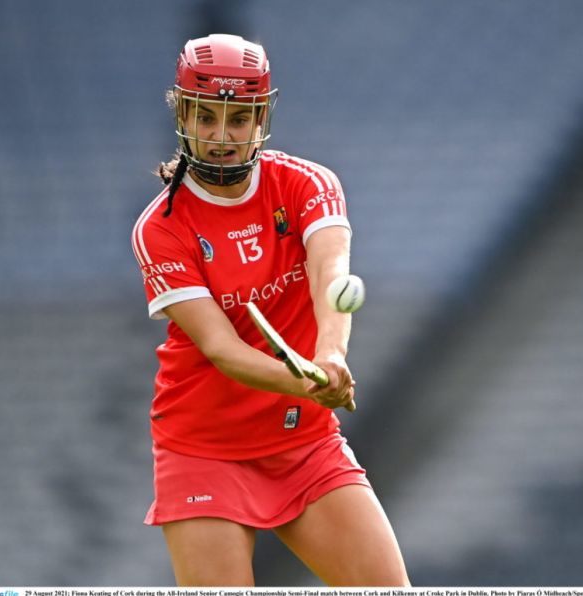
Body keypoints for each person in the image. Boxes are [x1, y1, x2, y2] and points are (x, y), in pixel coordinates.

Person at [131, 33, 410, 587]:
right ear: (182, 113)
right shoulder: (160, 227)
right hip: (204, 448)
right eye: (206, 117)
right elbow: (221, 349)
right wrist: (305, 382)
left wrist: (329, 357)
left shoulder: (307, 184)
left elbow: (329, 277)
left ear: (262, 118)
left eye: (239, 119)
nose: (221, 137)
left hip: (304, 441)